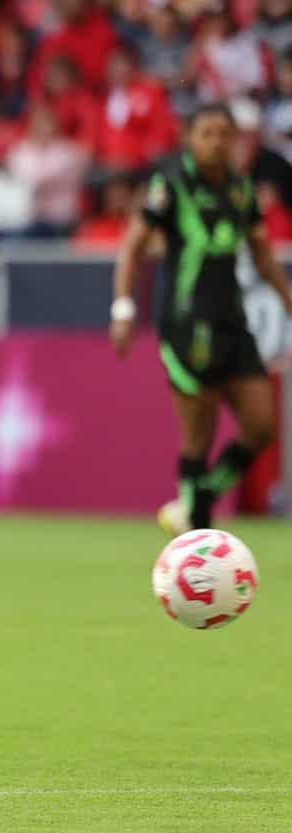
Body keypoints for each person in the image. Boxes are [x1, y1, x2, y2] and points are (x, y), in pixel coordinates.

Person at [112, 105, 292, 536]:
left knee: (261, 425)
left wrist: (288, 298)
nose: (215, 142)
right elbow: (132, 246)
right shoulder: (169, 186)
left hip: (234, 324)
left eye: (222, 134)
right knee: (199, 434)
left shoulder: (241, 190)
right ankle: (197, 539)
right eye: (206, 133)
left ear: (233, 141)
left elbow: (263, 254)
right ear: (190, 138)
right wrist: (123, 307)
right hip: (186, 327)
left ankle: (201, 497)